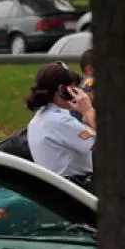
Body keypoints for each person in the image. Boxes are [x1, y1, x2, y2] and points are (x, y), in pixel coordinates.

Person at [25, 62, 96, 191]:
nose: (77, 94)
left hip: (58, 189)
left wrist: (84, 116)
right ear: (62, 90)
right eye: (74, 90)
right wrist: (88, 110)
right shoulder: (60, 121)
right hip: (76, 190)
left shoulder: (41, 118)